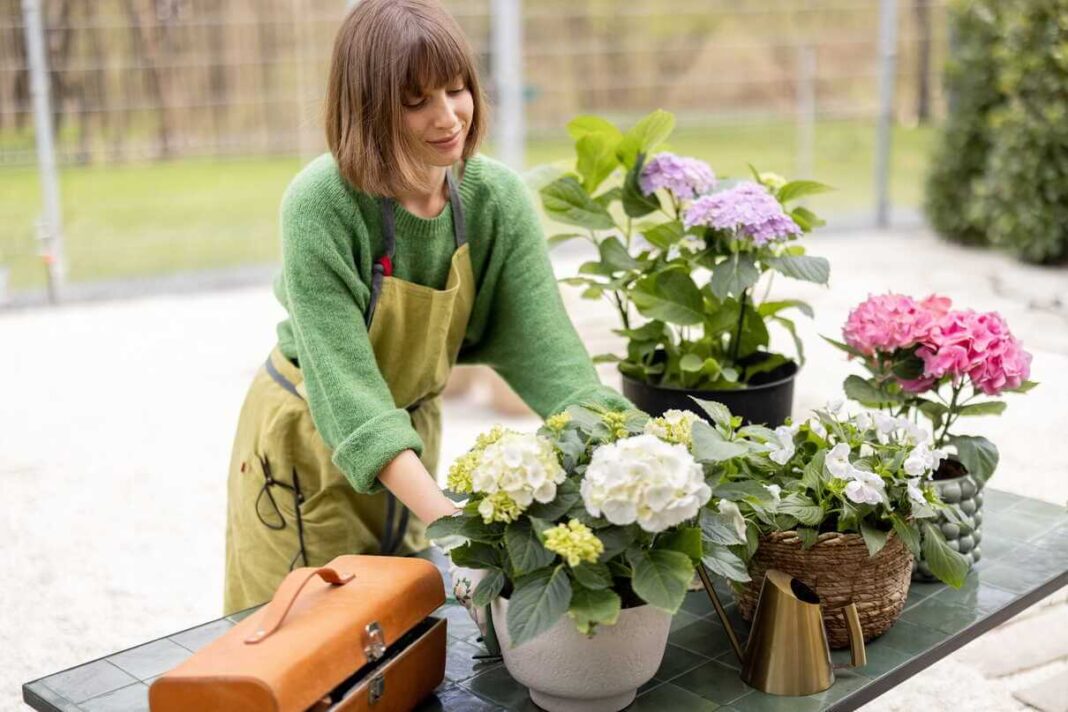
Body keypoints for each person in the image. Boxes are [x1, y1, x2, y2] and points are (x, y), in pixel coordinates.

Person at [223, 0, 629, 614]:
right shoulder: (322, 204)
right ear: (365, 106)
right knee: (303, 636)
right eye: (415, 101)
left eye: (457, 88)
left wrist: (635, 449)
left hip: (411, 434)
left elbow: (549, 352)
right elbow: (349, 392)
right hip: (310, 442)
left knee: (402, 627)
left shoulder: (493, 199)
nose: (447, 117)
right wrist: (456, 522)